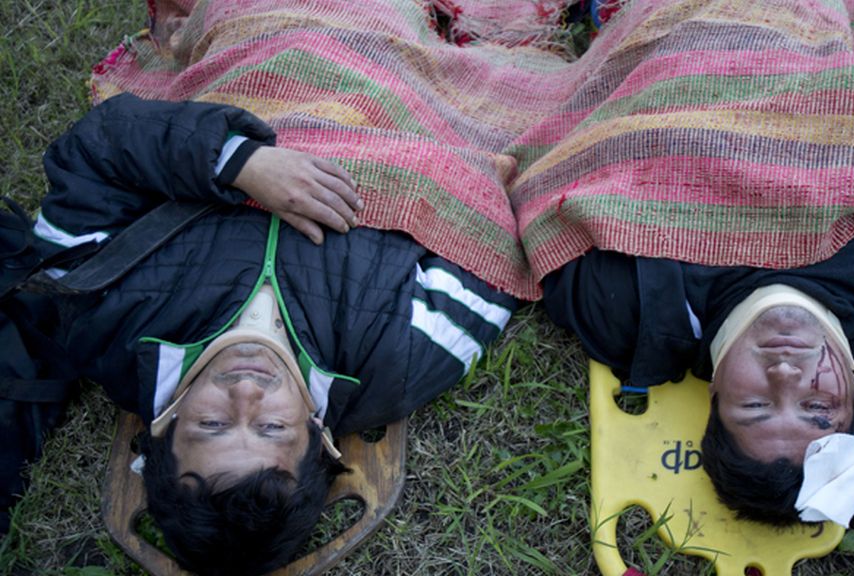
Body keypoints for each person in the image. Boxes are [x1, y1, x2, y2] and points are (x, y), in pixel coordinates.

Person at [1, 93, 515, 575]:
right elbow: (489, 246)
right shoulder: (405, 358)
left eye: (211, 423)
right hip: (412, 110)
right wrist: (439, 166)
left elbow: (100, 147)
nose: (246, 393)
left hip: (264, 74)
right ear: (320, 441)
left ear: (164, 426)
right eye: (271, 428)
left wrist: (238, 162)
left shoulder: (93, 308)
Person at [543, 119, 854, 526]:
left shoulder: (619, 308)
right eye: (817, 407)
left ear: (713, 396)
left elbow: (546, 199)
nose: (785, 375)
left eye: (754, 405)